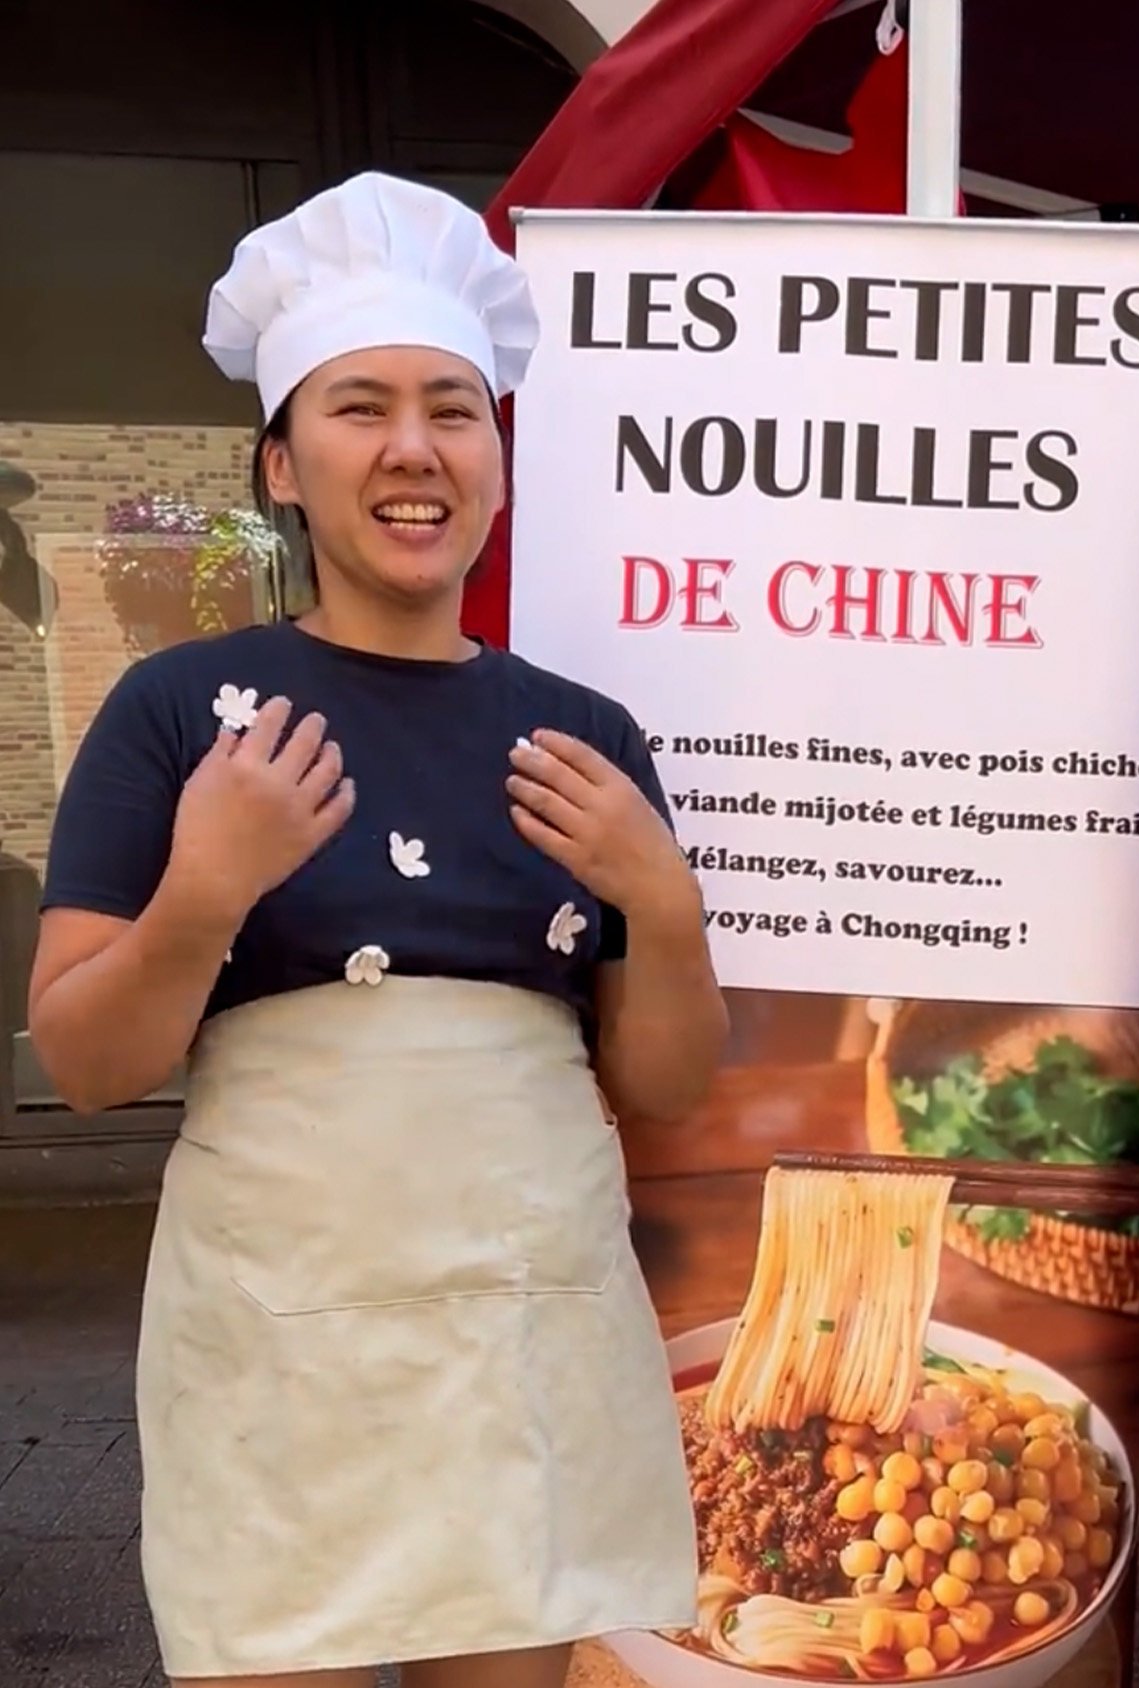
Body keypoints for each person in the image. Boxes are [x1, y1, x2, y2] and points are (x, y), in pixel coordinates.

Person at [28, 174, 720, 1688]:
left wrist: (663, 901)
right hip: (282, 1344)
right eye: (360, 407)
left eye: (453, 410)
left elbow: (665, 1084)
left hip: (520, 1335)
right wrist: (207, 888)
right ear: (282, 464)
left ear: (498, 462)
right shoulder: (180, 715)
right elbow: (82, 1060)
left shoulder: (582, 737)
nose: (415, 448)